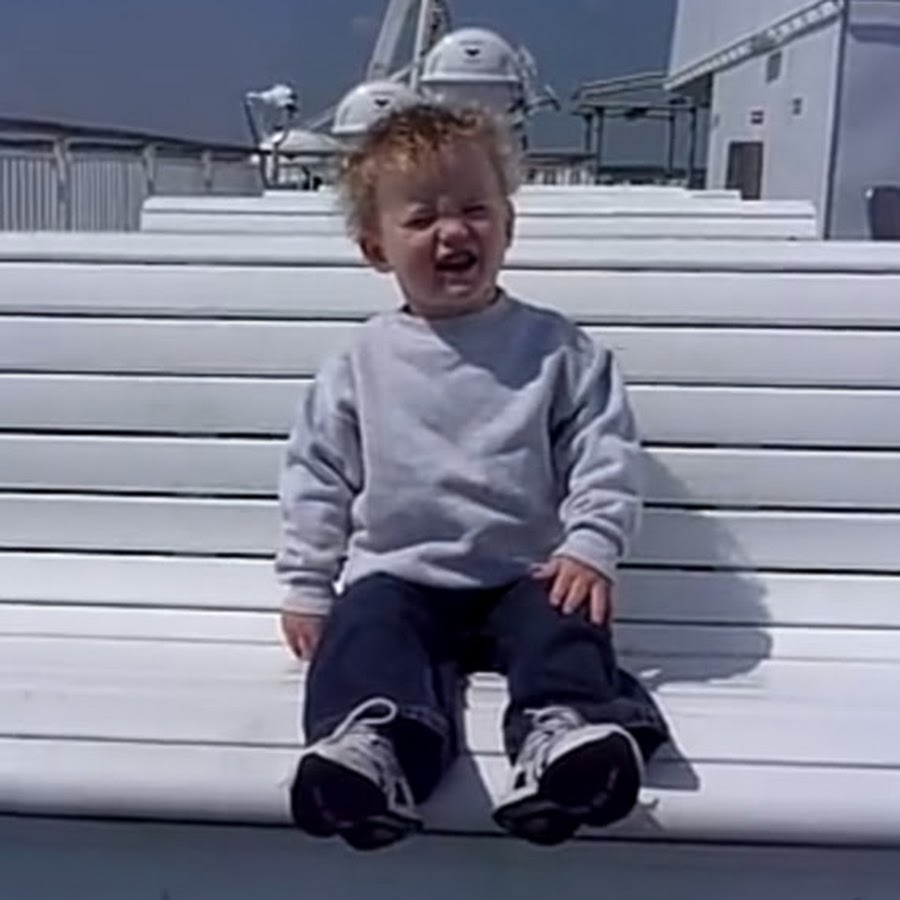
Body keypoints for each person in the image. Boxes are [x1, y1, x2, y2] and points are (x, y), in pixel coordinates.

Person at [275, 103, 669, 852]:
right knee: (363, 628)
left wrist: (591, 544)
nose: (453, 231)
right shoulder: (359, 363)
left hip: (526, 574)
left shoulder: (558, 350)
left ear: (508, 226)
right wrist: (307, 583)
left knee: (567, 620)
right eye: (422, 218)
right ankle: (374, 750)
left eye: (474, 211)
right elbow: (318, 476)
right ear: (376, 248)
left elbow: (605, 451)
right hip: (403, 574)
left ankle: (564, 736)